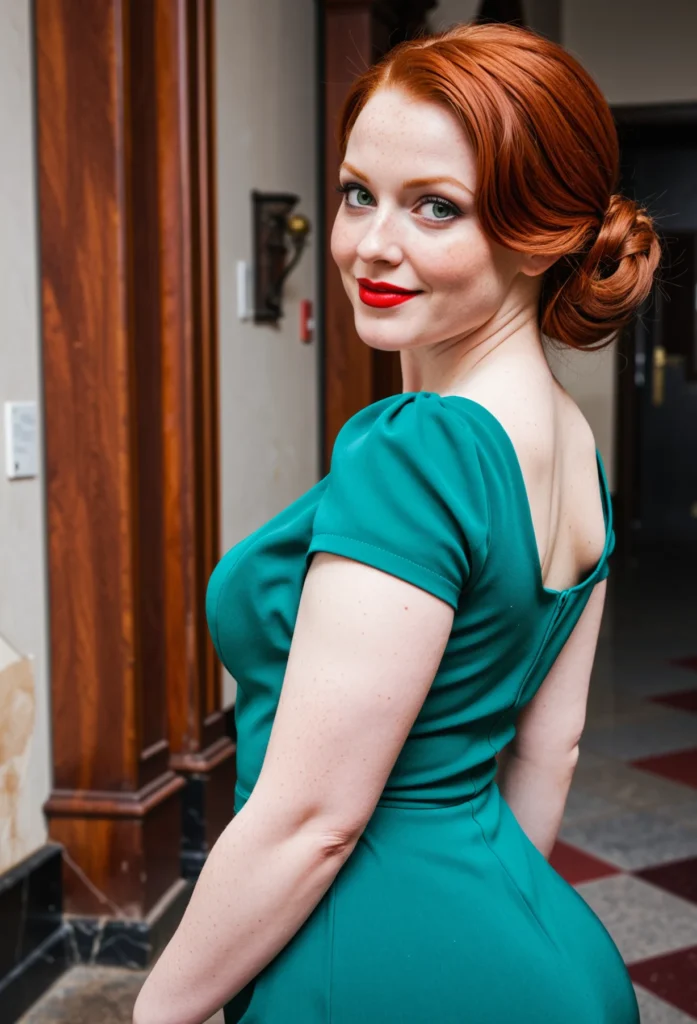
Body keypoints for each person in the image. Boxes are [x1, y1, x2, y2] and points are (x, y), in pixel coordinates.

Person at [133, 21, 660, 1024]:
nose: (372, 243)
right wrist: (478, 932)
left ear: (539, 231)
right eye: (356, 193)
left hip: (361, 958)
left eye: (436, 207)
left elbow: (313, 821)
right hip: (539, 953)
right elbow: (551, 752)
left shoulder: (420, 446)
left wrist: (155, 1013)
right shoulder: (569, 443)